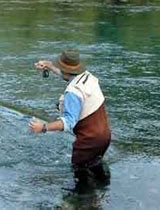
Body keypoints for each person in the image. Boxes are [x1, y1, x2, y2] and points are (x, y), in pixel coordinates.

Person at [29, 49, 111, 185]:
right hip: (105, 136)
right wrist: (49, 65)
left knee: (81, 179)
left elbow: (68, 122)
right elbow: (68, 76)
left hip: (88, 141)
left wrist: (43, 127)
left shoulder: (73, 93)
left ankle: (82, 202)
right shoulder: (87, 77)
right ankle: (102, 194)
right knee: (95, 167)